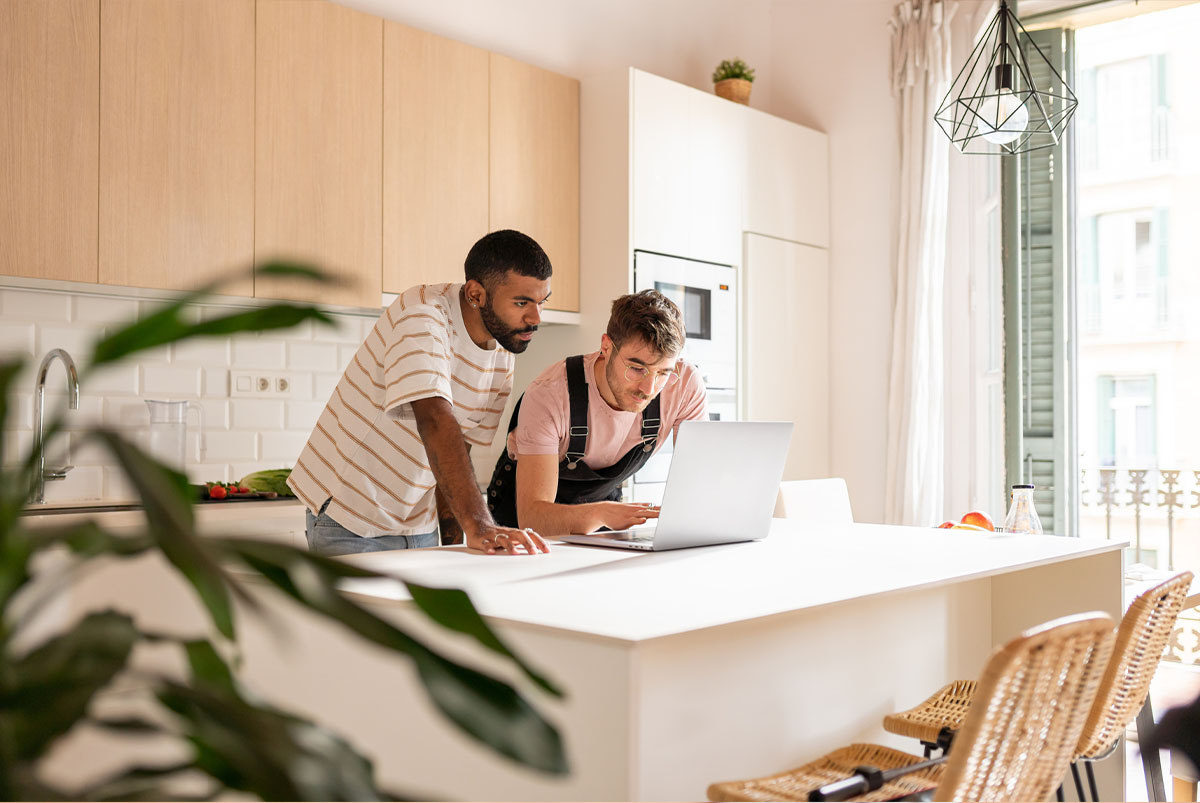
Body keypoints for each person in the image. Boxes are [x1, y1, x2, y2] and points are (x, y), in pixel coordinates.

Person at [288, 229, 554, 557]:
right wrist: (481, 527)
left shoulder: (501, 352)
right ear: (476, 294)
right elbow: (434, 420)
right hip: (350, 517)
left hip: (418, 526)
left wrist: (460, 543)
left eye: (542, 301)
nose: (535, 318)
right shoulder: (423, 314)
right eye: (522, 302)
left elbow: (458, 450)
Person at [486, 290, 707, 535]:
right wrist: (601, 513)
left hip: (600, 520)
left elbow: (698, 483)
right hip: (521, 531)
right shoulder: (549, 395)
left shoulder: (685, 384)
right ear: (606, 347)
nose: (649, 389)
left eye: (663, 373)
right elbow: (534, 518)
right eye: (636, 368)